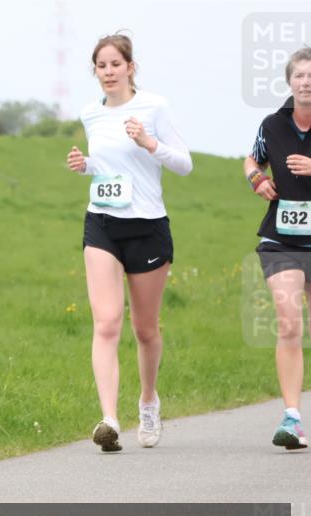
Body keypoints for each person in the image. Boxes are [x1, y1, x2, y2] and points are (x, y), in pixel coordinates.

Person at [66, 33, 192, 452]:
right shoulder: (90, 114)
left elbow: (184, 164)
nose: (107, 72)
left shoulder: (154, 107)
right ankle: (109, 419)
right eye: (100, 66)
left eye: (115, 64)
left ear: (130, 67)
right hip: (102, 223)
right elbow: (105, 166)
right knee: (105, 323)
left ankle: (148, 402)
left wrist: (149, 143)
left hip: (147, 226)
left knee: (145, 329)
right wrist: (86, 166)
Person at [243, 47, 311, 450]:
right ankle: (292, 417)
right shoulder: (272, 124)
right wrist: (256, 179)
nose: (306, 81)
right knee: (288, 320)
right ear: (289, 82)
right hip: (281, 239)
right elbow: (253, 159)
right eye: (300, 75)